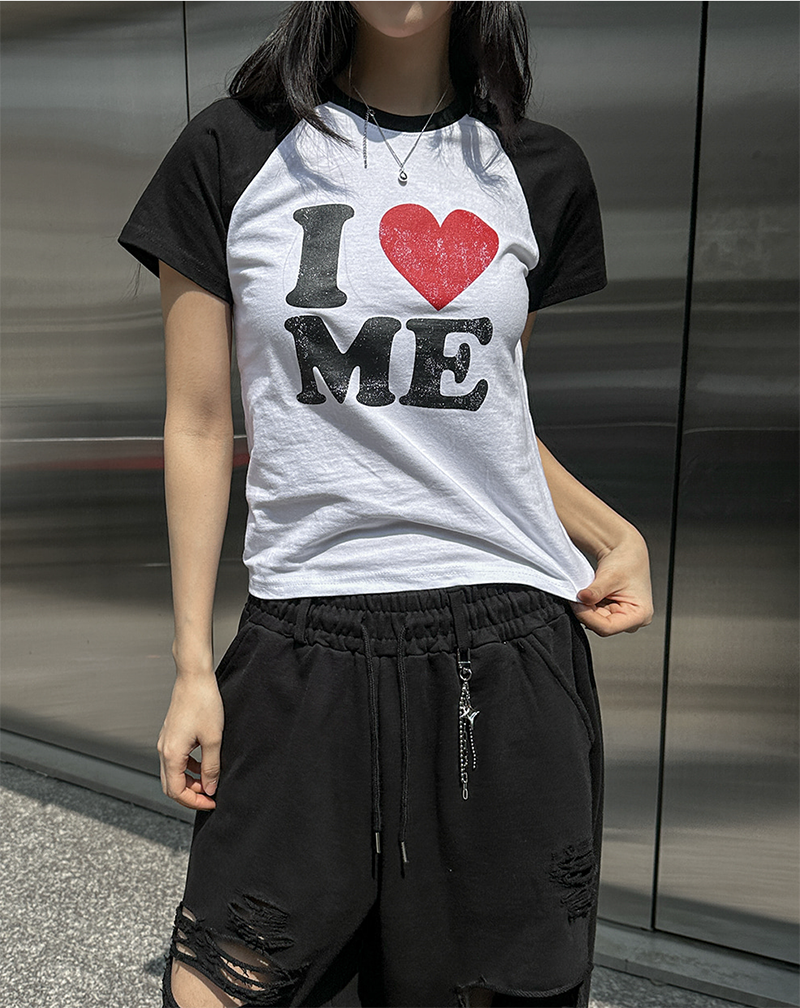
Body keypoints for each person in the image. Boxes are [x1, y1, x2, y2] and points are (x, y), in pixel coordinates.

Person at [119, 3, 653, 1007]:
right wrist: (191, 664)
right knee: (219, 986)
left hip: (503, 644)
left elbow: (483, 419)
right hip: (305, 638)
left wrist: (609, 532)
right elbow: (198, 422)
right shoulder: (232, 150)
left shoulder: (535, 168)